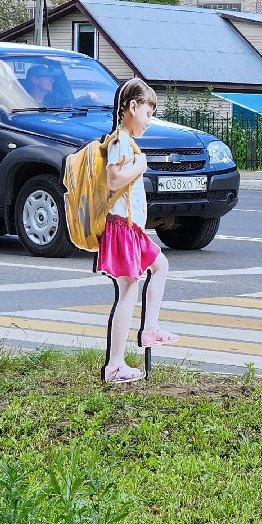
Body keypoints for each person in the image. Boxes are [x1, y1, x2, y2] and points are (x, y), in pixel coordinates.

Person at [97, 77, 176, 384]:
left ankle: (149, 329)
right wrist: (140, 166)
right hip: (122, 228)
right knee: (128, 291)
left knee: (160, 265)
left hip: (131, 228)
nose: (149, 121)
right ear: (132, 106)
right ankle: (115, 365)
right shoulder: (119, 141)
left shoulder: (127, 141)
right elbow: (114, 179)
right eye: (147, 113)